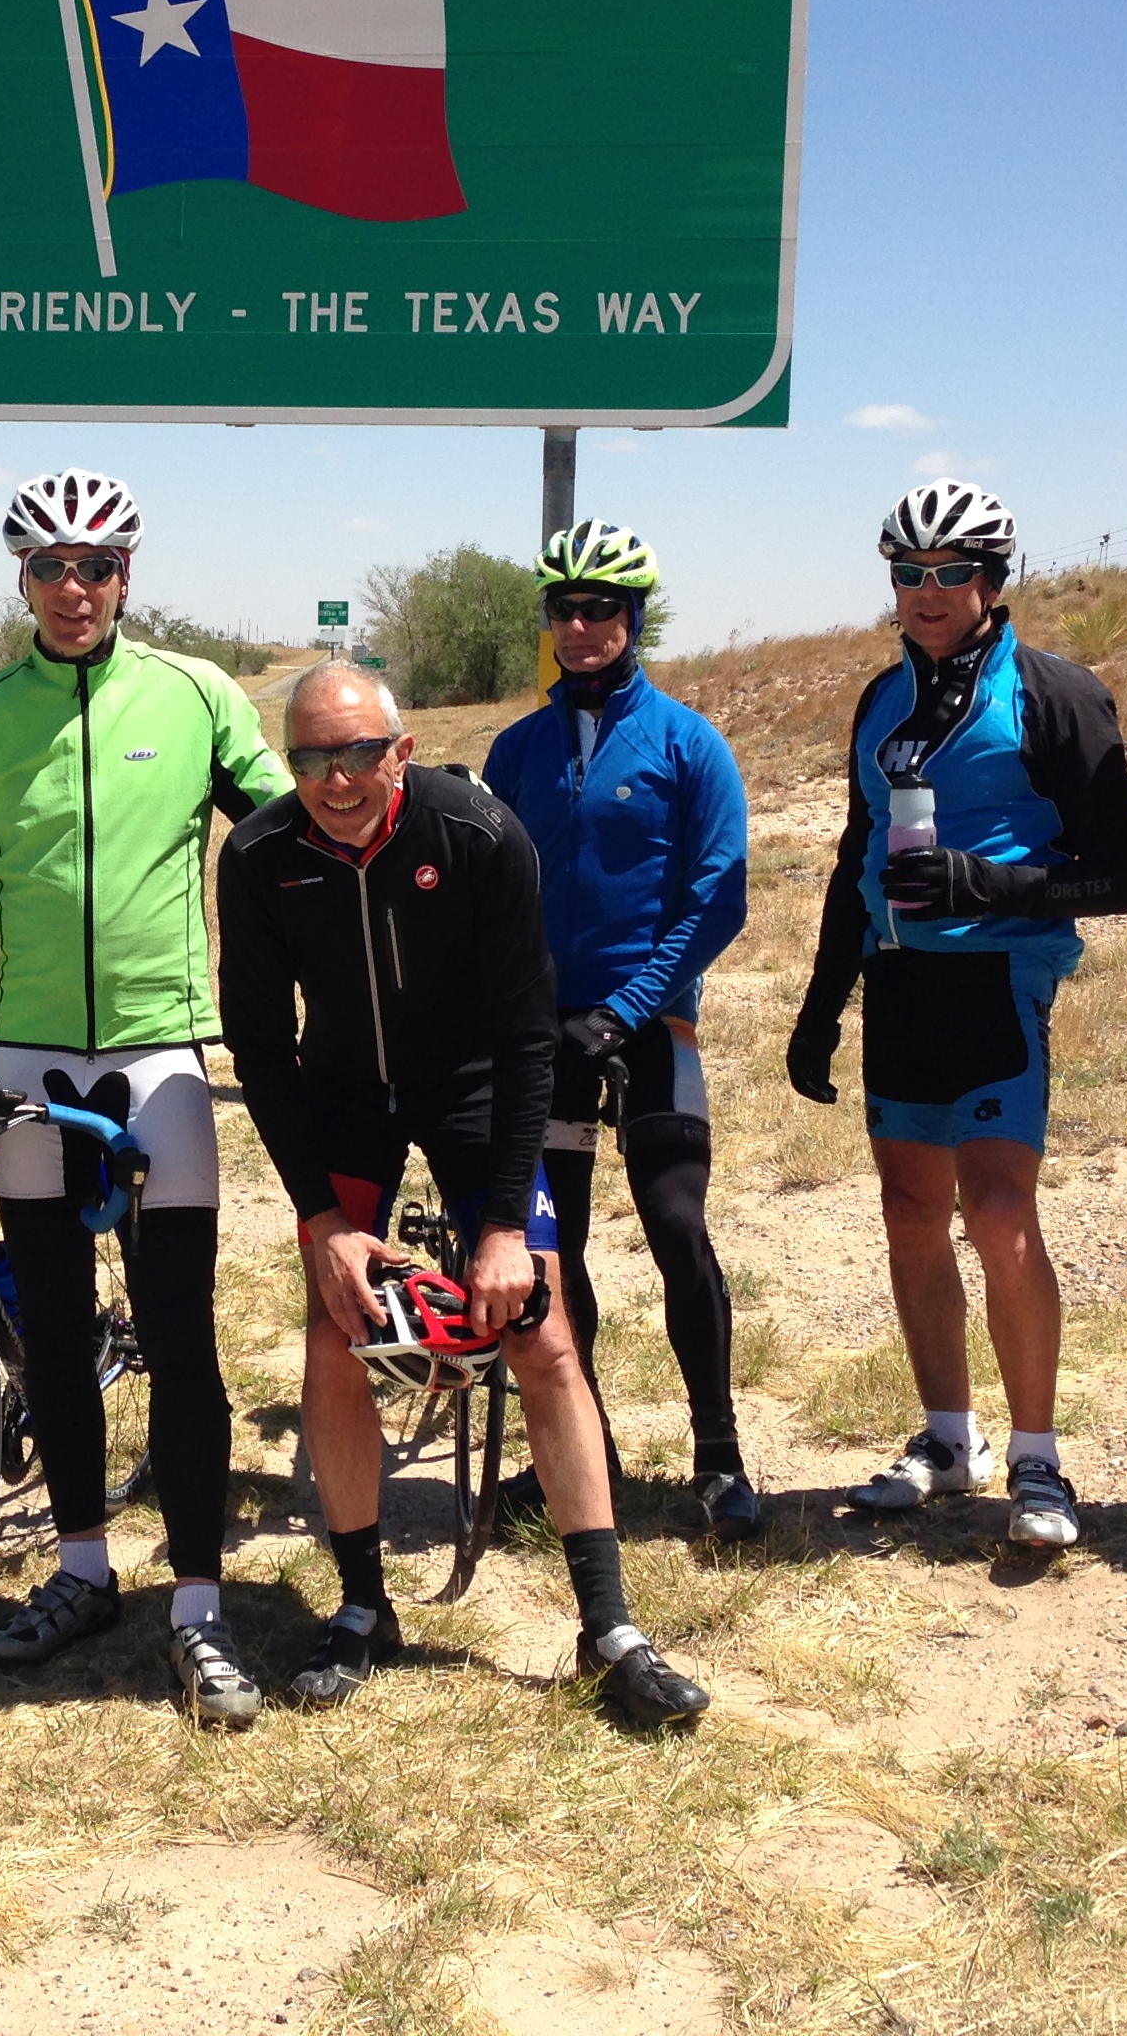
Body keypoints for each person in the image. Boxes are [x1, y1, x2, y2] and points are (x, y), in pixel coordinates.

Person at [0, 469, 291, 1724]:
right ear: (23, 579)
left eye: (97, 567)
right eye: (50, 567)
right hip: (31, 1059)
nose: (75, 588)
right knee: (46, 1331)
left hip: (160, 1058)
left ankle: (197, 1606)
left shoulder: (196, 696)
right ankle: (84, 1570)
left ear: (127, 576)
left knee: (183, 1337)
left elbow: (290, 830)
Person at [220, 663, 715, 1732]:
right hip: (344, 1094)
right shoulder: (260, 855)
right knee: (335, 1334)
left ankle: (609, 1628)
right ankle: (363, 1607)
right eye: (311, 758)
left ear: (400, 751)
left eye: (359, 753)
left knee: (543, 1333)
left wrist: (499, 1229)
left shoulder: (480, 833)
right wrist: (324, 1224)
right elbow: (259, 1050)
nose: (336, 778)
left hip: (474, 1086)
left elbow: (529, 1034)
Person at [786, 480, 1127, 1550]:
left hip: (1000, 977)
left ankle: (1039, 1461)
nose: (929, 592)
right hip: (900, 981)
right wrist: (822, 1004)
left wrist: (984, 885)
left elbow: (1124, 874)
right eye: (910, 574)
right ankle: (951, 1441)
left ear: (993, 580)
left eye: (951, 573)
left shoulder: (1054, 692)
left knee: (998, 1212)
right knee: (910, 1212)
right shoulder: (879, 700)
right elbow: (856, 854)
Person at [481, 521, 756, 1538]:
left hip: (648, 1022)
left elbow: (716, 897)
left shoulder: (688, 742)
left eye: (602, 609)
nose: (581, 626)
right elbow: (492, 892)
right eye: (565, 610)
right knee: (555, 1248)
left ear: (635, 618)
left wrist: (628, 1008)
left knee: (677, 1224)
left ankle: (720, 1456)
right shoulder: (518, 749)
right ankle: (580, 1441)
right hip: (546, 1032)